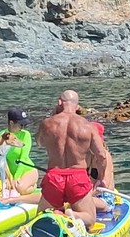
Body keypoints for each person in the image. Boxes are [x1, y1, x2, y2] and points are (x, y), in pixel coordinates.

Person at [37, 90, 112, 226]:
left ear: (59, 102)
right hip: (77, 177)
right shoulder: (87, 126)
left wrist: (54, 116)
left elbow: (39, 142)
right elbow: (101, 155)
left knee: (40, 216)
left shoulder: (47, 124)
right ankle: (73, 214)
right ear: (77, 106)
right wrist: (100, 178)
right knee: (90, 219)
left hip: (54, 176)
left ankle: (55, 214)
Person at [0, 107, 36, 199]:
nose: (23, 128)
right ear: (11, 123)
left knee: (19, 188)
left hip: (26, 170)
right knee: (0, 188)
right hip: (7, 172)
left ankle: (34, 185)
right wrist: (7, 178)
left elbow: (23, 158)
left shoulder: (25, 135)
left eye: (24, 125)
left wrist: (14, 178)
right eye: (21, 125)